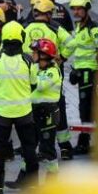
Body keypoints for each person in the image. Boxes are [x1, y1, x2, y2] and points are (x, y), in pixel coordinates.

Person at [0, 20, 38, 194]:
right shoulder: (28, 60)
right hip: (24, 112)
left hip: (2, 113)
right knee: (29, 148)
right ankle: (32, 184)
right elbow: (34, 83)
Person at [23, 0, 76, 159]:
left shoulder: (25, 28)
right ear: (48, 13)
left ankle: (36, 148)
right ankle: (64, 146)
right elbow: (72, 43)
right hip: (52, 74)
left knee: (33, 115)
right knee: (58, 111)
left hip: (31, 76)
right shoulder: (54, 28)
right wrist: (62, 57)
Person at [67, 0, 98, 156]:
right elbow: (77, 50)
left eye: (79, 9)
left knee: (86, 108)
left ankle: (84, 143)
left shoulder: (93, 29)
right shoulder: (79, 27)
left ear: (86, 9)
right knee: (85, 108)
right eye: (74, 9)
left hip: (90, 73)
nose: (75, 12)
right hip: (81, 72)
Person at [31, 38, 62, 178]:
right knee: (30, 145)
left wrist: (32, 67)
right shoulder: (38, 69)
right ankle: (25, 177)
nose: (32, 55)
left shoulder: (52, 71)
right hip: (36, 112)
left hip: (48, 113)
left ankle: (53, 177)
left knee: (47, 148)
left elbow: (40, 85)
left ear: (43, 55)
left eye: (35, 52)